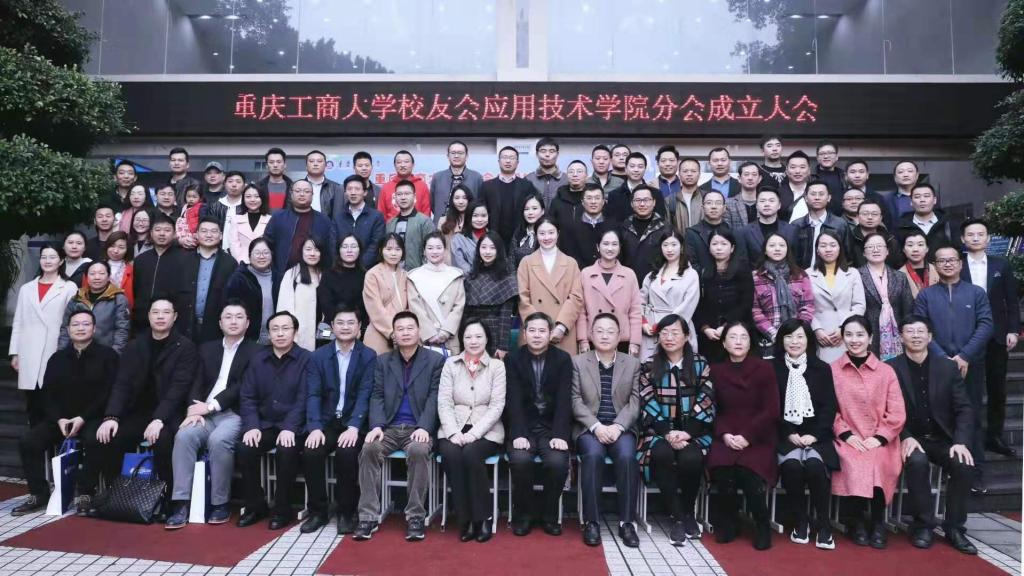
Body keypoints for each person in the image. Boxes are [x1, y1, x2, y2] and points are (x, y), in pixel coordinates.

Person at [79, 297, 198, 515]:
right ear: (149, 316)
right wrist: (111, 416)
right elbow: (121, 384)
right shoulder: (136, 345)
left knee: (162, 440)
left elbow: (178, 389)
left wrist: (159, 419)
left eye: (166, 312)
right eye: (155, 312)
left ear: (174, 317)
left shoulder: (185, 347)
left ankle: (168, 499)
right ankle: (113, 494)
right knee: (107, 435)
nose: (160, 317)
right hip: (138, 412)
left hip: (169, 413)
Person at [12, 309, 118, 516]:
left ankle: (85, 492)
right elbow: (47, 394)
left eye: (86, 324)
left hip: (92, 418)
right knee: (28, 441)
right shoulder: (57, 358)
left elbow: (108, 393)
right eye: (75, 324)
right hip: (60, 420)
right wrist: (59, 419)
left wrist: (83, 418)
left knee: (97, 439)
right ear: (68, 330)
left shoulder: (108, 356)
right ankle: (39, 493)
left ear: (94, 328)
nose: (80, 328)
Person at [887, 315, 978, 553]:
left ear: (930, 337)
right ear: (901, 337)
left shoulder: (947, 367)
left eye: (921, 331)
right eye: (910, 331)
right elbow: (885, 410)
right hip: (908, 437)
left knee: (963, 463)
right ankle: (923, 525)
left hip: (941, 438)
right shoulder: (890, 368)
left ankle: (955, 528)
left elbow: (964, 408)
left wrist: (960, 441)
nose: (915, 336)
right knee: (917, 461)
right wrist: (904, 436)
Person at [164, 302, 259, 529]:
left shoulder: (256, 351)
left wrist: (212, 406)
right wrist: (193, 409)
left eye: (239, 317)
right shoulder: (206, 348)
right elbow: (195, 380)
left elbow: (242, 386)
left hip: (233, 413)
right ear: (220, 322)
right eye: (228, 316)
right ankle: (181, 502)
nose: (233, 321)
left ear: (248, 323)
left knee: (219, 440)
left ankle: (220, 503)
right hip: (202, 412)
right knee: (184, 436)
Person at [353, 312, 445, 542]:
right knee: (369, 448)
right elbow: (376, 395)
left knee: (418, 450)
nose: (405, 332)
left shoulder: (435, 361)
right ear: (393, 334)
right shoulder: (383, 361)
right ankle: (368, 516)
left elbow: (435, 397)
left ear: (418, 331)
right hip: (389, 427)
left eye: (410, 328)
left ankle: (415, 516)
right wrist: (376, 425)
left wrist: (424, 427)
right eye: (400, 329)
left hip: (418, 428)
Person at [914, 245, 993, 492]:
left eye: (952, 260)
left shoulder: (976, 293)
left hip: (971, 365)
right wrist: (944, 359)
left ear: (960, 263)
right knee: (940, 415)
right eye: (941, 260)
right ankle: (950, 467)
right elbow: (921, 328)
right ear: (935, 265)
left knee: (971, 416)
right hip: (936, 366)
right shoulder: (926, 295)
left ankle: (975, 473)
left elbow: (986, 325)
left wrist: (964, 355)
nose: (947, 264)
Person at [638, 314, 715, 545]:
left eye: (675, 333)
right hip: (658, 432)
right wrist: (668, 433)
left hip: (694, 433)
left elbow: (707, 398)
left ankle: (688, 511)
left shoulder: (700, 364)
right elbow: (646, 400)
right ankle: (678, 517)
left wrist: (688, 432)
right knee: (662, 453)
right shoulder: (649, 366)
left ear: (686, 336)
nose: (669, 337)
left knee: (691, 457)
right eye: (664, 333)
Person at [300, 305, 377, 535]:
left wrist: (354, 426)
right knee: (311, 450)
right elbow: (313, 394)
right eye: (340, 323)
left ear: (359, 327)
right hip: (327, 422)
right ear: (332, 327)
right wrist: (314, 427)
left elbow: (365, 393)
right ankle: (318, 512)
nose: (345, 327)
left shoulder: (368, 356)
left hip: (354, 422)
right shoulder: (318, 356)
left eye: (350, 323)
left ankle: (346, 511)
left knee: (347, 453)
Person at [831, 315, 906, 549]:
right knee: (853, 461)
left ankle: (877, 521)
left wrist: (879, 437)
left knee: (877, 462)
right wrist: (847, 435)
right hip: (847, 437)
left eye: (860, 334)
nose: (854, 340)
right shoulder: (833, 371)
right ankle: (856, 522)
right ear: (843, 338)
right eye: (849, 335)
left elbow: (897, 411)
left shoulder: (886, 371)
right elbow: (829, 410)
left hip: (881, 438)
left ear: (871, 338)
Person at [707, 321, 778, 550]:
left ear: (750, 342)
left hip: (758, 435)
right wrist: (725, 434)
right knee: (723, 471)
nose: (738, 342)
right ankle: (730, 521)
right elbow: (713, 408)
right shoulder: (715, 371)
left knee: (748, 473)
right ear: (724, 343)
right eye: (733, 337)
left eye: (743, 337)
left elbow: (771, 409)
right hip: (726, 433)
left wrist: (747, 435)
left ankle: (762, 524)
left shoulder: (764, 368)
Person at [572, 314, 642, 548]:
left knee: (627, 457)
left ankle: (626, 522)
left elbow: (635, 401)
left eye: (610, 331)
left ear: (619, 335)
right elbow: (575, 400)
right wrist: (596, 426)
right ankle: (592, 522)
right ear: (591, 334)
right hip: (589, 428)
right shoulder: (578, 362)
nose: (604, 336)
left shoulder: (632, 363)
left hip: (621, 427)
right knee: (593, 456)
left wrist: (619, 426)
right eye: (599, 331)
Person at [236, 311, 311, 530]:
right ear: (268, 334)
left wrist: (290, 427)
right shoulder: (258, 359)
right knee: (244, 448)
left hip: (296, 426)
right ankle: (255, 505)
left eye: (286, 328)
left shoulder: (307, 359)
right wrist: (252, 426)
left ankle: (282, 509)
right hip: (266, 424)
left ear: (295, 333)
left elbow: (305, 398)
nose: (280, 333)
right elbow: (247, 397)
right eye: (275, 329)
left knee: (286, 450)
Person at [438, 319, 507, 543]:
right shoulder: (451, 364)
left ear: (487, 339)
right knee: (451, 454)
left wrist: (474, 434)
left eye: (478, 336)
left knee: (470, 453)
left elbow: (497, 406)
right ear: (462, 339)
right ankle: (465, 519)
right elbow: (444, 402)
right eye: (468, 337)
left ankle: (483, 517)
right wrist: (452, 432)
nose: (473, 341)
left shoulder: (497, 366)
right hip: (454, 426)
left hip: (486, 430)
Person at [772, 319, 838, 550]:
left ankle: (824, 524)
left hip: (817, 436)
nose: (795, 342)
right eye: (789, 336)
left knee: (814, 466)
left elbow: (829, 407)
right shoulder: (772, 368)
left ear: (808, 340)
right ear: (781, 340)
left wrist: (815, 435)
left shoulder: (822, 368)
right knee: (791, 466)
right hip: (785, 435)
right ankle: (801, 521)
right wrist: (789, 433)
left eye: (800, 336)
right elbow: (770, 407)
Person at [505, 312, 573, 537]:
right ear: (524, 333)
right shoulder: (513, 359)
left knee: (557, 463)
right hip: (523, 425)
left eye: (542, 331)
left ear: (550, 333)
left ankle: (549, 514)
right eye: (532, 330)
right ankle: (524, 514)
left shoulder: (563, 359)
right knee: (520, 460)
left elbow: (564, 400)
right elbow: (513, 399)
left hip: (551, 427)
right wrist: (518, 433)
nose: (536, 335)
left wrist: (560, 434)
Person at [960, 218, 1021, 457]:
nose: (975, 238)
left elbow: (1011, 300)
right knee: (969, 389)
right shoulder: (957, 264)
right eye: (970, 234)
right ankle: (970, 436)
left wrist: (1013, 330)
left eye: (980, 234)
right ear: (963, 239)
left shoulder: (1001, 265)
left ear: (988, 238)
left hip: (997, 335)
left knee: (997, 388)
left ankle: (994, 436)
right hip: (967, 336)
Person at [10, 245, 78, 424]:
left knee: (51, 397)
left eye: (52, 257)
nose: (47, 261)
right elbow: (18, 321)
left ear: (61, 261)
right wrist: (15, 352)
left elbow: (72, 320)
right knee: (32, 399)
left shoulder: (69, 287)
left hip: (54, 347)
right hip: (29, 349)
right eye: (44, 257)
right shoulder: (27, 288)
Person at [517, 218, 584, 355]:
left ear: (558, 233)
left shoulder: (571, 263)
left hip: (562, 332)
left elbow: (576, 298)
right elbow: (522, 297)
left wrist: (562, 326)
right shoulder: (526, 262)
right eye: (542, 233)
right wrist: (538, 328)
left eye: (551, 233)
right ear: (536, 235)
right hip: (534, 333)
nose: (547, 237)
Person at [578, 229, 642, 356]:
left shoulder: (629, 274)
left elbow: (635, 311)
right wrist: (582, 340)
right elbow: (581, 311)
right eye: (606, 244)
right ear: (598, 246)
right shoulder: (586, 273)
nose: (610, 248)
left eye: (614, 244)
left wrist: (635, 342)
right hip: (594, 338)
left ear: (620, 247)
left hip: (622, 339)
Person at [695, 229, 754, 363]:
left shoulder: (742, 269)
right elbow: (699, 304)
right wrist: (705, 328)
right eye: (714, 244)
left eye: (724, 244)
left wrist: (726, 326)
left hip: (737, 329)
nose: (719, 248)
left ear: (732, 248)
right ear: (709, 247)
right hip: (710, 334)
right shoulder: (703, 271)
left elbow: (746, 303)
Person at [640, 230, 700, 361]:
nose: (669, 249)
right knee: (650, 368)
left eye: (674, 244)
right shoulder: (653, 274)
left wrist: (662, 326)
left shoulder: (691, 275)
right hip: (650, 329)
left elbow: (688, 306)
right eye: (665, 245)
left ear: (681, 247)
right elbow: (640, 300)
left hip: (678, 327)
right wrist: (643, 322)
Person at [807, 231, 866, 363]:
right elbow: (805, 307)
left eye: (833, 245)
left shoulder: (852, 273)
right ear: (817, 250)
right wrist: (816, 329)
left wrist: (844, 327)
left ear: (840, 248)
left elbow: (859, 305)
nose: (828, 249)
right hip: (821, 335)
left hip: (847, 333)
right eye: (823, 245)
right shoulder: (807, 274)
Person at [751, 233, 815, 351]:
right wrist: (775, 335)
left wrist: (796, 333)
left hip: (798, 340)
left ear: (787, 249)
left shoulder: (800, 275)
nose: (777, 249)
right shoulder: (755, 277)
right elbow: (755, 311)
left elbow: (807, 306)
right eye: (772, 245)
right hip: (768, 339)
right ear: (765, 250)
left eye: (781, 245)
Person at [263, 179, 337, 281]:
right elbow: (267, 244)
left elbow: (330, 250)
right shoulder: (278, 217)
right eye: (298, 191)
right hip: (282, 275)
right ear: (291, 194)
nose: (302, 194)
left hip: (315, 277)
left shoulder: (324, 220)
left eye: (306, 191)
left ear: (312, 195)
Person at [407, 233, 466, 354]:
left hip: (449, 337)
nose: (434, 251)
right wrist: (430, 333)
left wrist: (446, 331)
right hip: (424, 339)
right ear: (424, 251)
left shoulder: (455, 275)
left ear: (445, 250)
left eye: (439, 247)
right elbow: (415, 307)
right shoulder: (414, 276)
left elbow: (458, 306)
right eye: (430, 248)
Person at [180, 217, 237, 343]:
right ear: (196, 234)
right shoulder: (183, 260)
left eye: (213, 231)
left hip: (216, 328)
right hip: (185, 325)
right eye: (204, 231)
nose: (209, 235)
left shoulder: (230, 263)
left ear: (221, 235)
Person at [859, 233, 915, 360]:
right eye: (870, 247)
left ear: (887, 251)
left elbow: (908, 310)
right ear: (863, 253)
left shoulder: (900, 277)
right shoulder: (856, 275)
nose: (876, 250)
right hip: (868, 336)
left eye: (880, 246)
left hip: (896, 337)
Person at [464, 232, 517, 359]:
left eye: (492, 248)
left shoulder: (507, 278)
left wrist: (503, 346)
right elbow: (465, 312)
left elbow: (505, 317)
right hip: (472, 332)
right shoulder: (471, 276)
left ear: (499, 250)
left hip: (495, 331)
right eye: (483, 247)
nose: (487, 252)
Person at [58, 261, 130, 354]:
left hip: (105, 353)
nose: (97, 277)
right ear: (86, 277)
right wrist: (61, 352)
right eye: (92, 274)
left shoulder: (118, 299)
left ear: (108, 277)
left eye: (101, 273)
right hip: (77, 353)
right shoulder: (77, 298)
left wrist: (115, 354)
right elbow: (65, 328)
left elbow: (122, 330)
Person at [132, 214, 188, 332]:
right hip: (141, 320)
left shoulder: (185, 259)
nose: (162, 233)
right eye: (157, 230)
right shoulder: (140, 260)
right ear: (151, 233)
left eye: (167, 230)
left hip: (172, 322)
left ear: (174, 234)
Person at [362, 234, 409, 354]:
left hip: (404, 333)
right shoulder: (372, 274)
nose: (393, 253)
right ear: (380, 251)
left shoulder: (406, 275)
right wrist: (393, 331)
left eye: (397, 249)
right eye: (389, 249)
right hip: (380, 332)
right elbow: (375, 308)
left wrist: (404, 330)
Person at [685, 189, 749, 276]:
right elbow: (691, 264)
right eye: (709, 203)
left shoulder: (735, 233)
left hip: (731, 280)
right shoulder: (692, 233)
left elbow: (742, 261)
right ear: (702, 208)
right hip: (703, 281)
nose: (713, 206)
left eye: (718, 203)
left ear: (724, 208)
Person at [277, 237, 326, 351]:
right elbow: (284, 309)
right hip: (298, 339)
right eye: (308, 249)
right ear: (301, 251)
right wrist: (291, 336)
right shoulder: (292, 275)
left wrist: (327, 336)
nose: (312, 253)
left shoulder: (323, 275)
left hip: (321, 338)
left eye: (316, 250)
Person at [225, 238, 277, 343]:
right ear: (249, 256)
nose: (261, 256)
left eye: (266, 253)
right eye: (257, 253)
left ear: (272, 255)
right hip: (248, 339)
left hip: (274, 339)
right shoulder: (239, 278)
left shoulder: (278, 278)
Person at [478, 146, 535, 243]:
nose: (508, 161)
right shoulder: (487, 186)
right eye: (504, 157)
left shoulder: (526, 185)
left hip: (520, 237)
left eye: (512, 158)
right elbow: (480, 210)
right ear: (499, 161)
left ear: (517, 162)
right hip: (493, 238)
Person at [792, 178, 851, 270]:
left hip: (833, 274)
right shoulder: (797, 225)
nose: (817, 197)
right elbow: (792, 255)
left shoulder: (840, 224)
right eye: (813, 194)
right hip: (803, 274)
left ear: (829, 198)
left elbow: (848, 255)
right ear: (806, 198)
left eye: (821, 194)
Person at [333, 174, 386, 270]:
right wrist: (343, 264)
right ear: (345, 192)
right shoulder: (338, 218)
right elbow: (333, 244)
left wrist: (359, 266)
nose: (353, 193)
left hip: (368, 270)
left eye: (357, 189)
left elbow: (376, 245)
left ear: (365, 192)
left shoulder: (376, 217)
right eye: (349, 189)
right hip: (342, 269)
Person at [317, 235, 367, 333]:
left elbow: (366, 307)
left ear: (360, 250)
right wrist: (340, 324)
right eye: (345, 246)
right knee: (324, 341)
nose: (349, 250)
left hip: (357, 327)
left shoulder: (367, 276)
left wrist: (354, 327)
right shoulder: (328, 275)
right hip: (330, 325)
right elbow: (326, 305)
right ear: (338, 250)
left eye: (353, 246)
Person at [621, 185, 670, 284]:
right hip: (628, 283)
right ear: (632, 204)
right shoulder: (623, 228)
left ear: (654, 202)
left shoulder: (665, 228)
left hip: (656, 284)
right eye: (638, 200)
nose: (642, 204)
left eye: (646, 200)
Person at [558, 183, 614, 268]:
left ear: (603, 202)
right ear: (582, 202)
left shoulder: (613, 226)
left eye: (597, 198)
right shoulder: (569, 227)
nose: (593, 202)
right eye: (589, 198)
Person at [897, 183, 961, 257]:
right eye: (917, 197)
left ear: (934, 200)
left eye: (926, 196)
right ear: (911, 202)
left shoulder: (948, 224)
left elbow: (958, 251)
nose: (922, 200)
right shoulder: (902, 226)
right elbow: (898, 255)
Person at [385, 179, 436, 270]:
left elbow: (432, 250)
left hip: (418, 273)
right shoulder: (390, 223)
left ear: (414, 196)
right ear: (395, 197)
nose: (403, 197)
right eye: (399, 194)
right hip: (394, 272)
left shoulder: (425, 222)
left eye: (407, 194)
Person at [430, 140, 484, 222]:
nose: (456, 156)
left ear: (467, 156)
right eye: (453, 153)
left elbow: (480, 203)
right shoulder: (437, 177)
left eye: (460, 153)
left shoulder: (476, 177)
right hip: (441, 224)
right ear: (448, 156)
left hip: (468, 224)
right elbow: (433, 204)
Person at [607, 152, 668, 223]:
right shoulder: (614, 195)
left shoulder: (656, 193)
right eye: (632, 166)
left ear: (645, 169)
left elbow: (660, 221)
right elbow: (612, 223)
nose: (636, 170)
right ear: (626, 169)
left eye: (640, 166)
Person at [739, 187, 797, 261]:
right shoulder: (745, 232)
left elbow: (795, 259)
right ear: (756, 205)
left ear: (779, 205)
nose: (767, 204)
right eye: (762, 201)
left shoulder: (791, 230)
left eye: (771, 201)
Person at [377, 150, 432, 221]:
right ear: (395, 165)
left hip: (417, 226)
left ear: (413, 165)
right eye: (399, 162)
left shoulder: (422, 186)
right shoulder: (386, 187)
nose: (402, 165)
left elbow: (426, 212)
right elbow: (381, 214)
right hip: (391, 227)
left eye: (406, 162)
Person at [201, 171, 246, 255]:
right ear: (224, 184)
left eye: (238, 182)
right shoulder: (216, 206)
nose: (234, 185)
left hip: (242, 252)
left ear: (244, 186)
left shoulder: (247, 206)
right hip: (219, 251)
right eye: (230, 181)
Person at [849, 200, 900, 268]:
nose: (870, 217)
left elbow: (897, 266)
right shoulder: (849, 238)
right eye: (865, 214)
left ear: (881, 218)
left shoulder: (891, 241)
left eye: (874, 214)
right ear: (857, 216)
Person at [230, 184, 272, 263]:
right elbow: (234, 244)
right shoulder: (236, 219)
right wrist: (241, 262)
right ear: (243, 199)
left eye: (256, 196)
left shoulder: (270, 220)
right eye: (248, 196)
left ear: (262, 198)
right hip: (242, 262)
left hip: (264, 262)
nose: (252, 200)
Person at [662, 156, 703, 235]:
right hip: (679, 242)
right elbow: (667, 229)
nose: (689, 174)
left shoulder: (706, 198)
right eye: (685, 171)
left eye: (693, 171)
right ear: (679, 174)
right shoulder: (670, 200)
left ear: (699, 174)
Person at [300, 149, 344, 219]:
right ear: (306, 166)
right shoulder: (295, 186)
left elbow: (338, 216)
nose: (315, 164)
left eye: (319, 161)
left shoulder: (336, 188)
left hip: (327, 225)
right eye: (311, 161)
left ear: (325, 166)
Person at [526, 137, 568, 206]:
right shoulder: (528, 180)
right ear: (537, 154)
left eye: (551, 151)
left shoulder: (566, 179)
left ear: (557, 154)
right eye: (543, 151)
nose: (547, 155)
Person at [450, 202, 489, 274]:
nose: (479, 220)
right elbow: (460, 265)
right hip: (467, 278)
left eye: (483, 216)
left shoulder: (493, 237)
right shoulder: (458, 239)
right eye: (475, 216)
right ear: (469, 217)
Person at [508, 192, 545, 269]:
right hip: (518, 275)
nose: (530, 212)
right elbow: (511, 260)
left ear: (542, 211)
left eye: (534, 208)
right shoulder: (519, 232)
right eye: (526, 209)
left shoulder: (547, 234)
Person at [898, 230, 939, 298]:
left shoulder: (938, 270)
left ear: (927, 248)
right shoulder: (898, 275)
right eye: (910, 245)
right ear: (903, 249)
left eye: (920, 245)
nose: (915, 249)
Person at [724, 162, 762, 231]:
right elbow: (726, 231)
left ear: (759, 179)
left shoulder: (765, 203)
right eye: (746, 174)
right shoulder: (728, 204)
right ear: (739, 178)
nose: (750, 178)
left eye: (754, 174)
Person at [103, 231, 135, 311]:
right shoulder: (96, 267)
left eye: (121, 247)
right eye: (112, 246)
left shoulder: (133, 270)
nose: (115, 251)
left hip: (123, 311)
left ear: (127, 250)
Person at [438, 184, 472, 257]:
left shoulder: (475, 220)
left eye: (464, 198)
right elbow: (439, 245)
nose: (461, 201)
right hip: (448, 261)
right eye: (457, 198)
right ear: (452, 200)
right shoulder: (443, 221)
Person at [884, 160, 920, 226]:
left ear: (917, 175)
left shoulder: (929, 197)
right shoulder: (886, 199)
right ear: (895, 177)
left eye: (910, 171)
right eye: (900, 172)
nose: (905, 175)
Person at [779, 151, 811, 222]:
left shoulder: (816, 191)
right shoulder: (779, 193)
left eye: (802, 167)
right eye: (793, 167)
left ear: (809, 170)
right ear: (786, 170)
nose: (797, 171)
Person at [814, 141, 844, 205]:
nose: (826, 156)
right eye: (822, 153)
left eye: (830, 153)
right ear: (817, 158)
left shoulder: (844, 176)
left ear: (836, 157)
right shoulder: (810, 176)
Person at [175, 185, 204, 250]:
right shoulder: (185, 206)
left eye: (194, 197)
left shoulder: (200, 207)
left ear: (200, 198)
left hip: (193, 232)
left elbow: (201, 221)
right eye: (188, 196)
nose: (191, 199)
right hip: (183, 232)